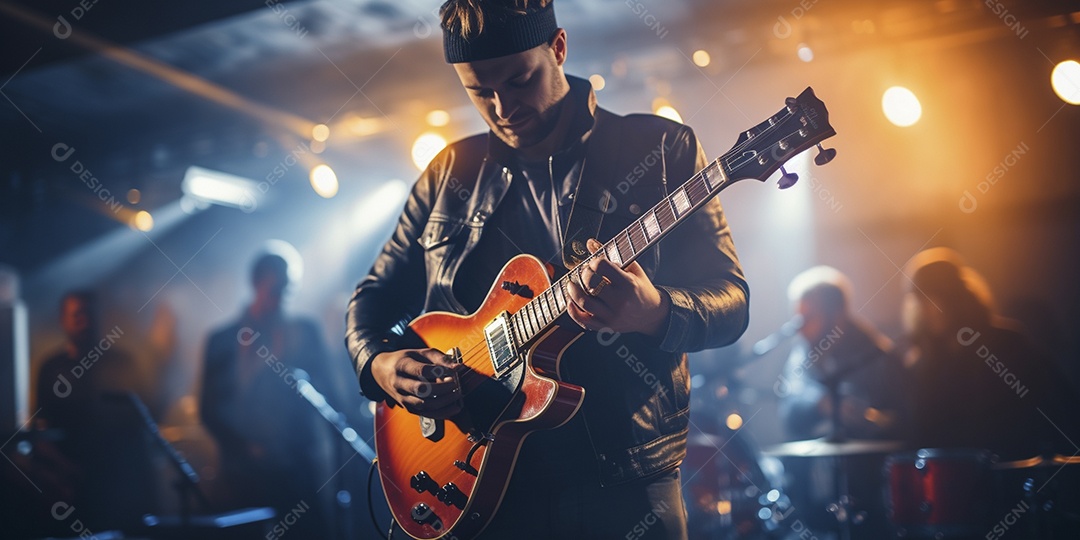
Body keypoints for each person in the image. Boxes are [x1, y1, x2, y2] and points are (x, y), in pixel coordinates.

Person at [345, 1, 749, 537]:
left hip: (622, 487)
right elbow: (372, 297)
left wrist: (655, 311)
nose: (502, 106)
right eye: (479, 91)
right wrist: (380, 366)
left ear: (558, 48)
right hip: (473, 479)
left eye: (519, 80)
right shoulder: (448, 172)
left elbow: (731, 301)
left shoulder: (659, 148)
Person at [201, 242, 345, 538]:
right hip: (243, 478)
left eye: (289, 288)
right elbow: (209, 409)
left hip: (299, 475)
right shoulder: (222, 340)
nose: (284, 296)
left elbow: (333, 399)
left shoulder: (306, 332)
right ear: (256, 283)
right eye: (277, 287)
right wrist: (246, 448)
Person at [902, 247, 1071, 459]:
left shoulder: (1007, 343)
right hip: (950, 482)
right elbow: (921, 432)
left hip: (1010, 471)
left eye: (931, 299)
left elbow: (1050, 408)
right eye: (920, 301)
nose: (924, 310)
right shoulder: (925, 362)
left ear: (953, 297)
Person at [35, 290, 155, 530]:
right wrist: (64, 472)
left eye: (90, 314)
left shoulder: (122, 362)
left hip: (118, 488)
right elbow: (39, 428)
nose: (85, 321)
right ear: (63, 320)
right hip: (71, 487)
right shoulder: (51, 368)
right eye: (78, 315)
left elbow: (142, 423)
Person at [777, 266, 907, 442]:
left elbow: (903, 421)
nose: (800, 329)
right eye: (798, 320)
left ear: (837, 315)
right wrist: (821, 403)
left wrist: (864, 417)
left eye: (808, 318)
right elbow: (789, 411)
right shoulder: (802, 353)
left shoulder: (879, 357)